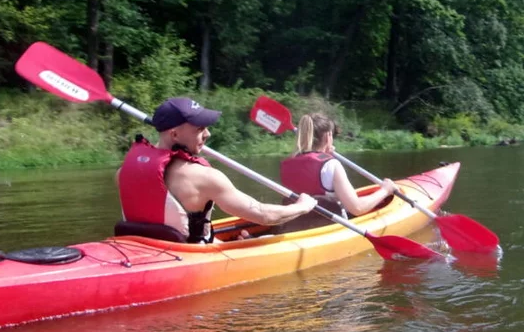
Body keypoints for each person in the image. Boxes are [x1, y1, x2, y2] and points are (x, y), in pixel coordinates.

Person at [116, 97, 316, 244]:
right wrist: (302, 206)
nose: (208, 134)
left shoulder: (124, 171)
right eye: (199, 129)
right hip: (191, 259)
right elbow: (262, 214)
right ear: (175, 134)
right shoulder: (204, 178)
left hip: (140, 250)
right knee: (265, 237)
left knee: (243, 240)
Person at [277, 113, 397, 232]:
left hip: (294, 230)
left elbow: (309, 172)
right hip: (328, 229)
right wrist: (385, 190)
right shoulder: (331, 165)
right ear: (328, 136)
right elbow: (357, 208)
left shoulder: (286, 164)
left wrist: (325, 153)